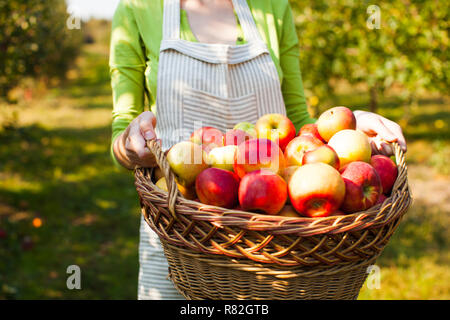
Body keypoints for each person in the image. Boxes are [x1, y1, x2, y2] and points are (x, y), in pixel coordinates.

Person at [109, 0, 407, 300]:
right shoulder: (138, 9)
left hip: (277, 243)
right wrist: (129, 146)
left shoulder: (273, 7)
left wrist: (349, 127)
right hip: (180, 231)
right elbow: (122, 128)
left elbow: (300, 122)